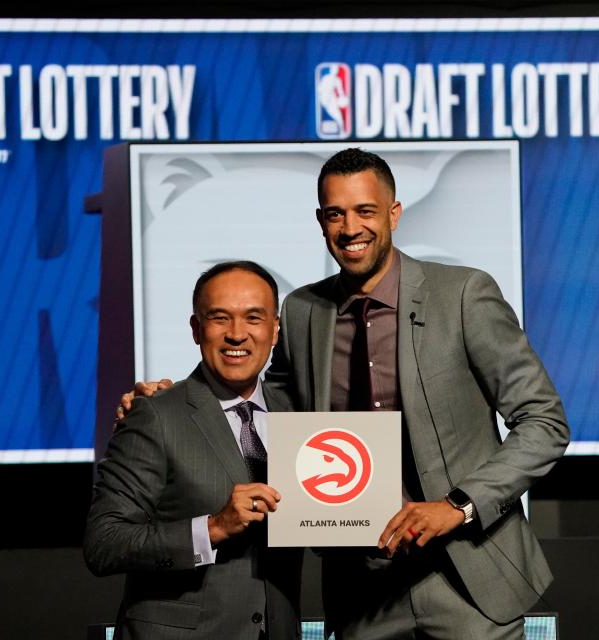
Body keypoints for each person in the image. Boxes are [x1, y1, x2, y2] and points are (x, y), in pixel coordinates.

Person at [123, 148, 570, 639]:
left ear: (394, 215)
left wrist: (458, 505)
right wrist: (176, 399)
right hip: (361, 589)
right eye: (335, 213)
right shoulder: (301, 312)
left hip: (466, 576)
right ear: (321, 221)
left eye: (365, 211)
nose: (350, 227)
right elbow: (262, 404)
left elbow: (544, 422)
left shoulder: (463, 294)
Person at [86, 261, 302, 640]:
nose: (238, 335)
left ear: (274, 330)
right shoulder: (155, 414)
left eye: (254, 318)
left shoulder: (300, 414)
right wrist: (213, 528)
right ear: (196, 329)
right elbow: (105, 544)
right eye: (220, 318)